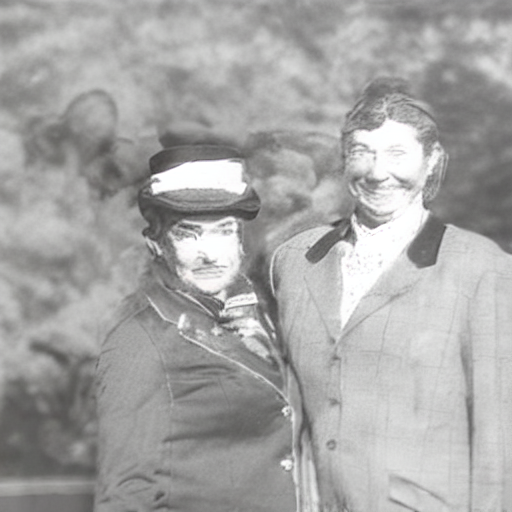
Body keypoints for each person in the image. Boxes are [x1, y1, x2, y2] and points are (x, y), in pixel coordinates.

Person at [271, 77, 512, 512]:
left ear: (432, 160)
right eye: (361, 152)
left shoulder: (481, 269)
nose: (377, 172)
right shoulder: (295, 260)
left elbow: (499, 443)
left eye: (398, 153)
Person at [94, 145, 302, 512]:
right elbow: (127, 496)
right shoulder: (138, 342)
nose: (210, 253)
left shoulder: (265, 314)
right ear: (156, 244)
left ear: (241, 240)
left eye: (223, 231)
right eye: (188, 234)